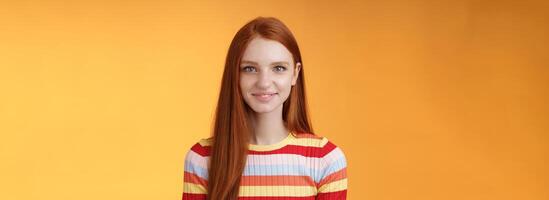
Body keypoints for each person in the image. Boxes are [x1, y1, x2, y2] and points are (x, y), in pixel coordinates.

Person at [182, 16, 348, 200]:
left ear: (295, 74)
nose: (264, 83)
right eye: (250, 69)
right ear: (234, 75)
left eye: (278, 68)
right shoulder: (202, 159)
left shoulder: (326, 159)